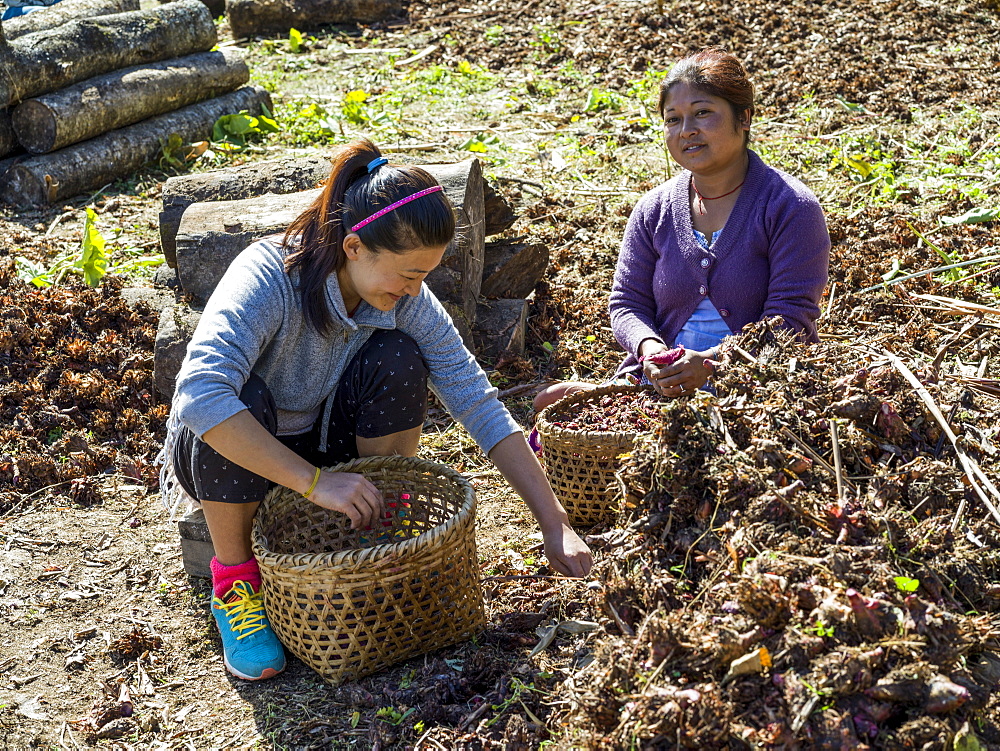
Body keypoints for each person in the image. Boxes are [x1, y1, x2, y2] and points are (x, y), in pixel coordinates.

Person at [159, 139, 593, 681]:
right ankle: (238, 583)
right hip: (234, 452)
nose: (416, 289)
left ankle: (373, 532)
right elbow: (201, 395)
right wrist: (315, 484)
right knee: (236, 398)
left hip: (320, 441)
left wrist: (554, 524)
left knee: (398, 356)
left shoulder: (405, 297)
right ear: (355, 246)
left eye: (426, 275)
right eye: (409, 274)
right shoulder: (271, 274)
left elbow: (475, 400)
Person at [533, 47, 830, 413]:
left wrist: (709, 364)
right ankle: (616, 389)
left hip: (757, 386)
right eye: (673, 119)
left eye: (703, 113)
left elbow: (790, 321)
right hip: (659, 382)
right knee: (548, 405)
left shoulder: (789, 206)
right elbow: (627, 303)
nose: (686, 131)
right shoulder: (653, 210)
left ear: (745, 117)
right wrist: (651, 350)